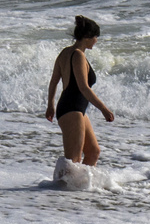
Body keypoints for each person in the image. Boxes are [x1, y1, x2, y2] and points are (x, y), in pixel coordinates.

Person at [45, 15, 114, 165]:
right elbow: (83, 87)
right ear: (88, 37)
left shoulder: (65, 52)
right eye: (96, 37)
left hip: (75, 110)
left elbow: (53, 82)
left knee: (93, 152)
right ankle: (61, 187)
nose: (96, 40)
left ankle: (81, 186)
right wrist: (104, 109)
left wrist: (51, 105)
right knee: (73, 161)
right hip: (72, 110)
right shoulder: (78, 55)